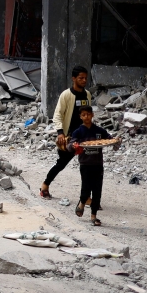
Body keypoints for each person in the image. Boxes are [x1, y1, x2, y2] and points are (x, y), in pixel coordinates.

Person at [40, 65, 92, 199]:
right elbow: (57, 115)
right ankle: (45, 185)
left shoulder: (87, 95)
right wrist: (60, 133)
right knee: (61, 164)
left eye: (85, 78)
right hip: (69, 138)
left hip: (83, 137)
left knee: (87, 167)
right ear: (73, 79)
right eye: (81, 78)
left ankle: (86, 198)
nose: (84, 80)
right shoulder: (66, 95)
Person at [67, 106, 118, 226]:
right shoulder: (78, 132)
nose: (86, 117)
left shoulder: (99, 131)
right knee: (85, 189)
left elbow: (110, 140)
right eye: (83, 115)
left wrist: (116, 141)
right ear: (80, 117)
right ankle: (82, 202)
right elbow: (70, 146)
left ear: (92, 115)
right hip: (85, 164)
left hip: (98, 164)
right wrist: (73, 146)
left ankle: (93, 216)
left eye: (88, 114)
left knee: (97, 190)